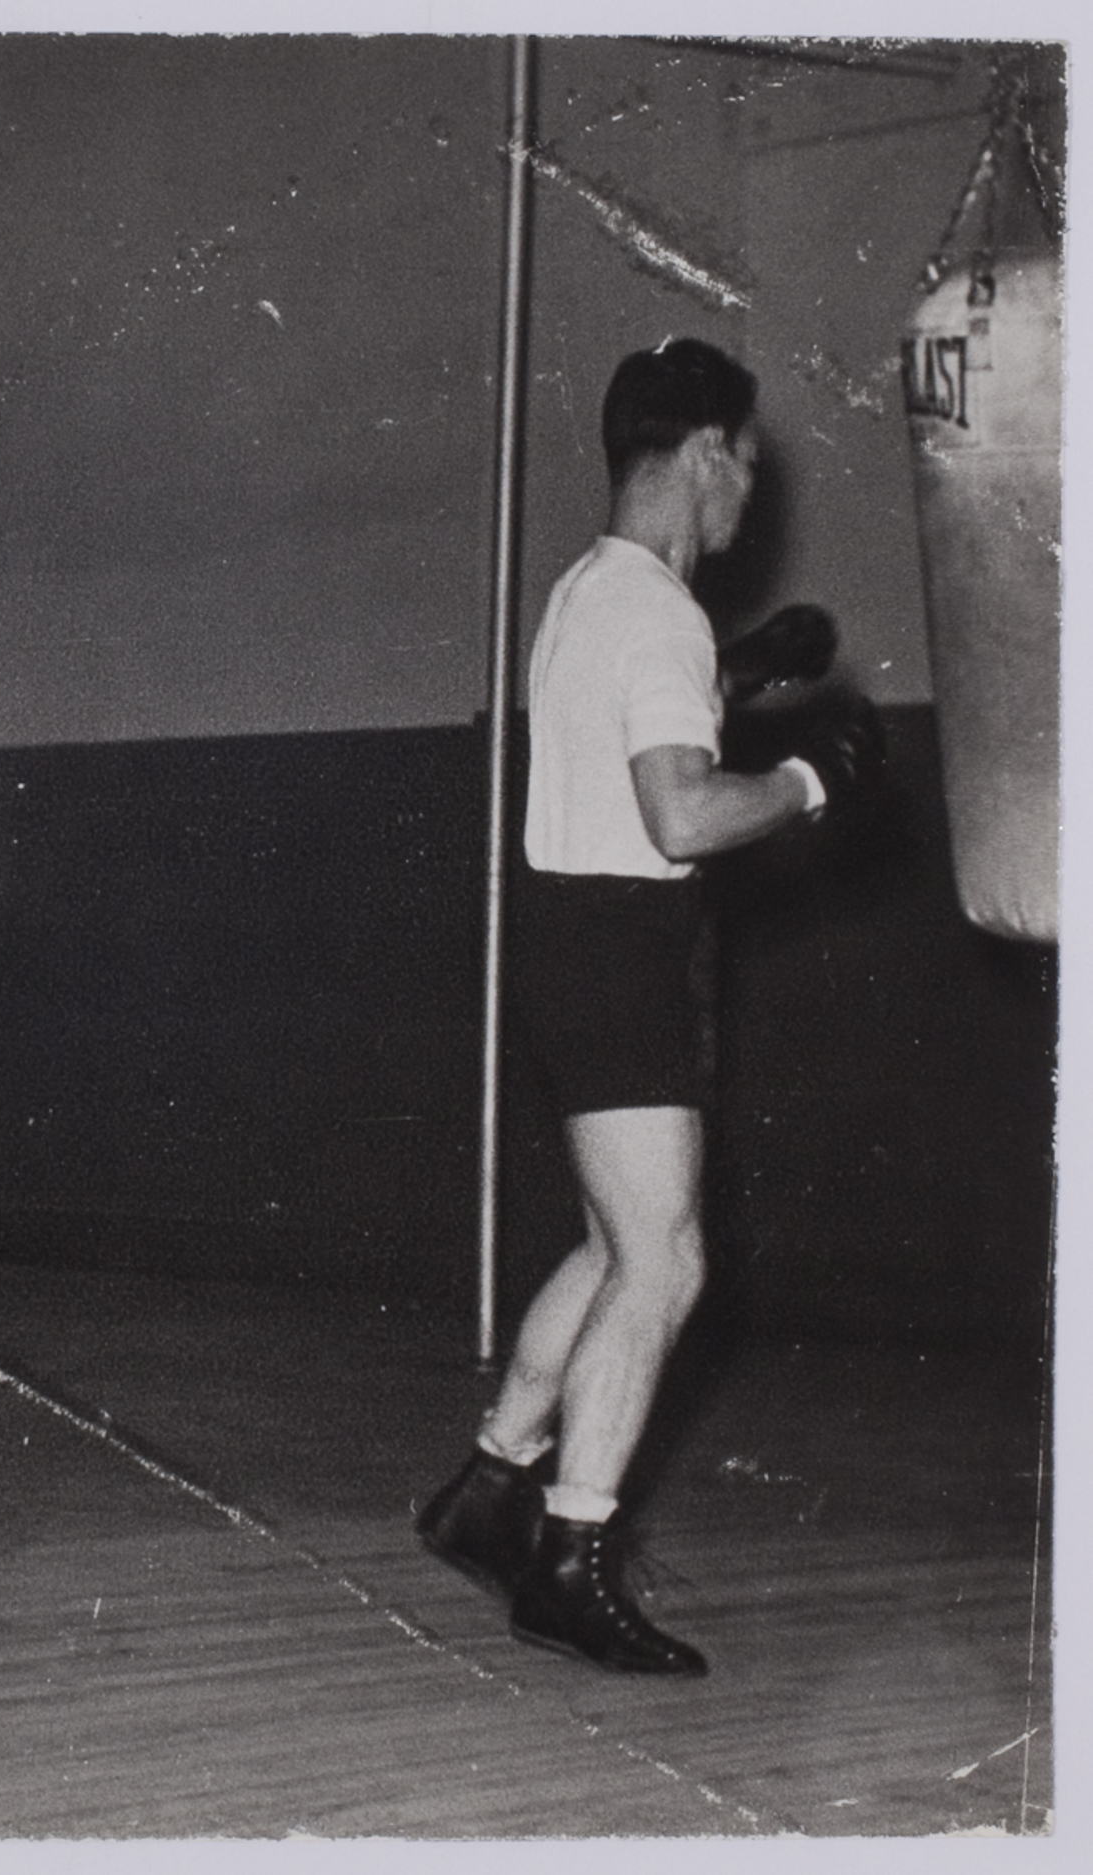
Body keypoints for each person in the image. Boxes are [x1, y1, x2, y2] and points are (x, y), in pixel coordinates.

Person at [414, 340, 875, 1675]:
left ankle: (489, 1485)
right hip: (623, 942)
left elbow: (637, 735)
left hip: (567, 936)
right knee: (668, 1257)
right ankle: (570, 1553)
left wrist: (736, 673)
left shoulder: (591, 591)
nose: (749, 492)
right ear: (699, 453)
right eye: (743, 460)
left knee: (621, 1242)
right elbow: (680, 809)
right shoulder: (656, 611)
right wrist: (808, 784)